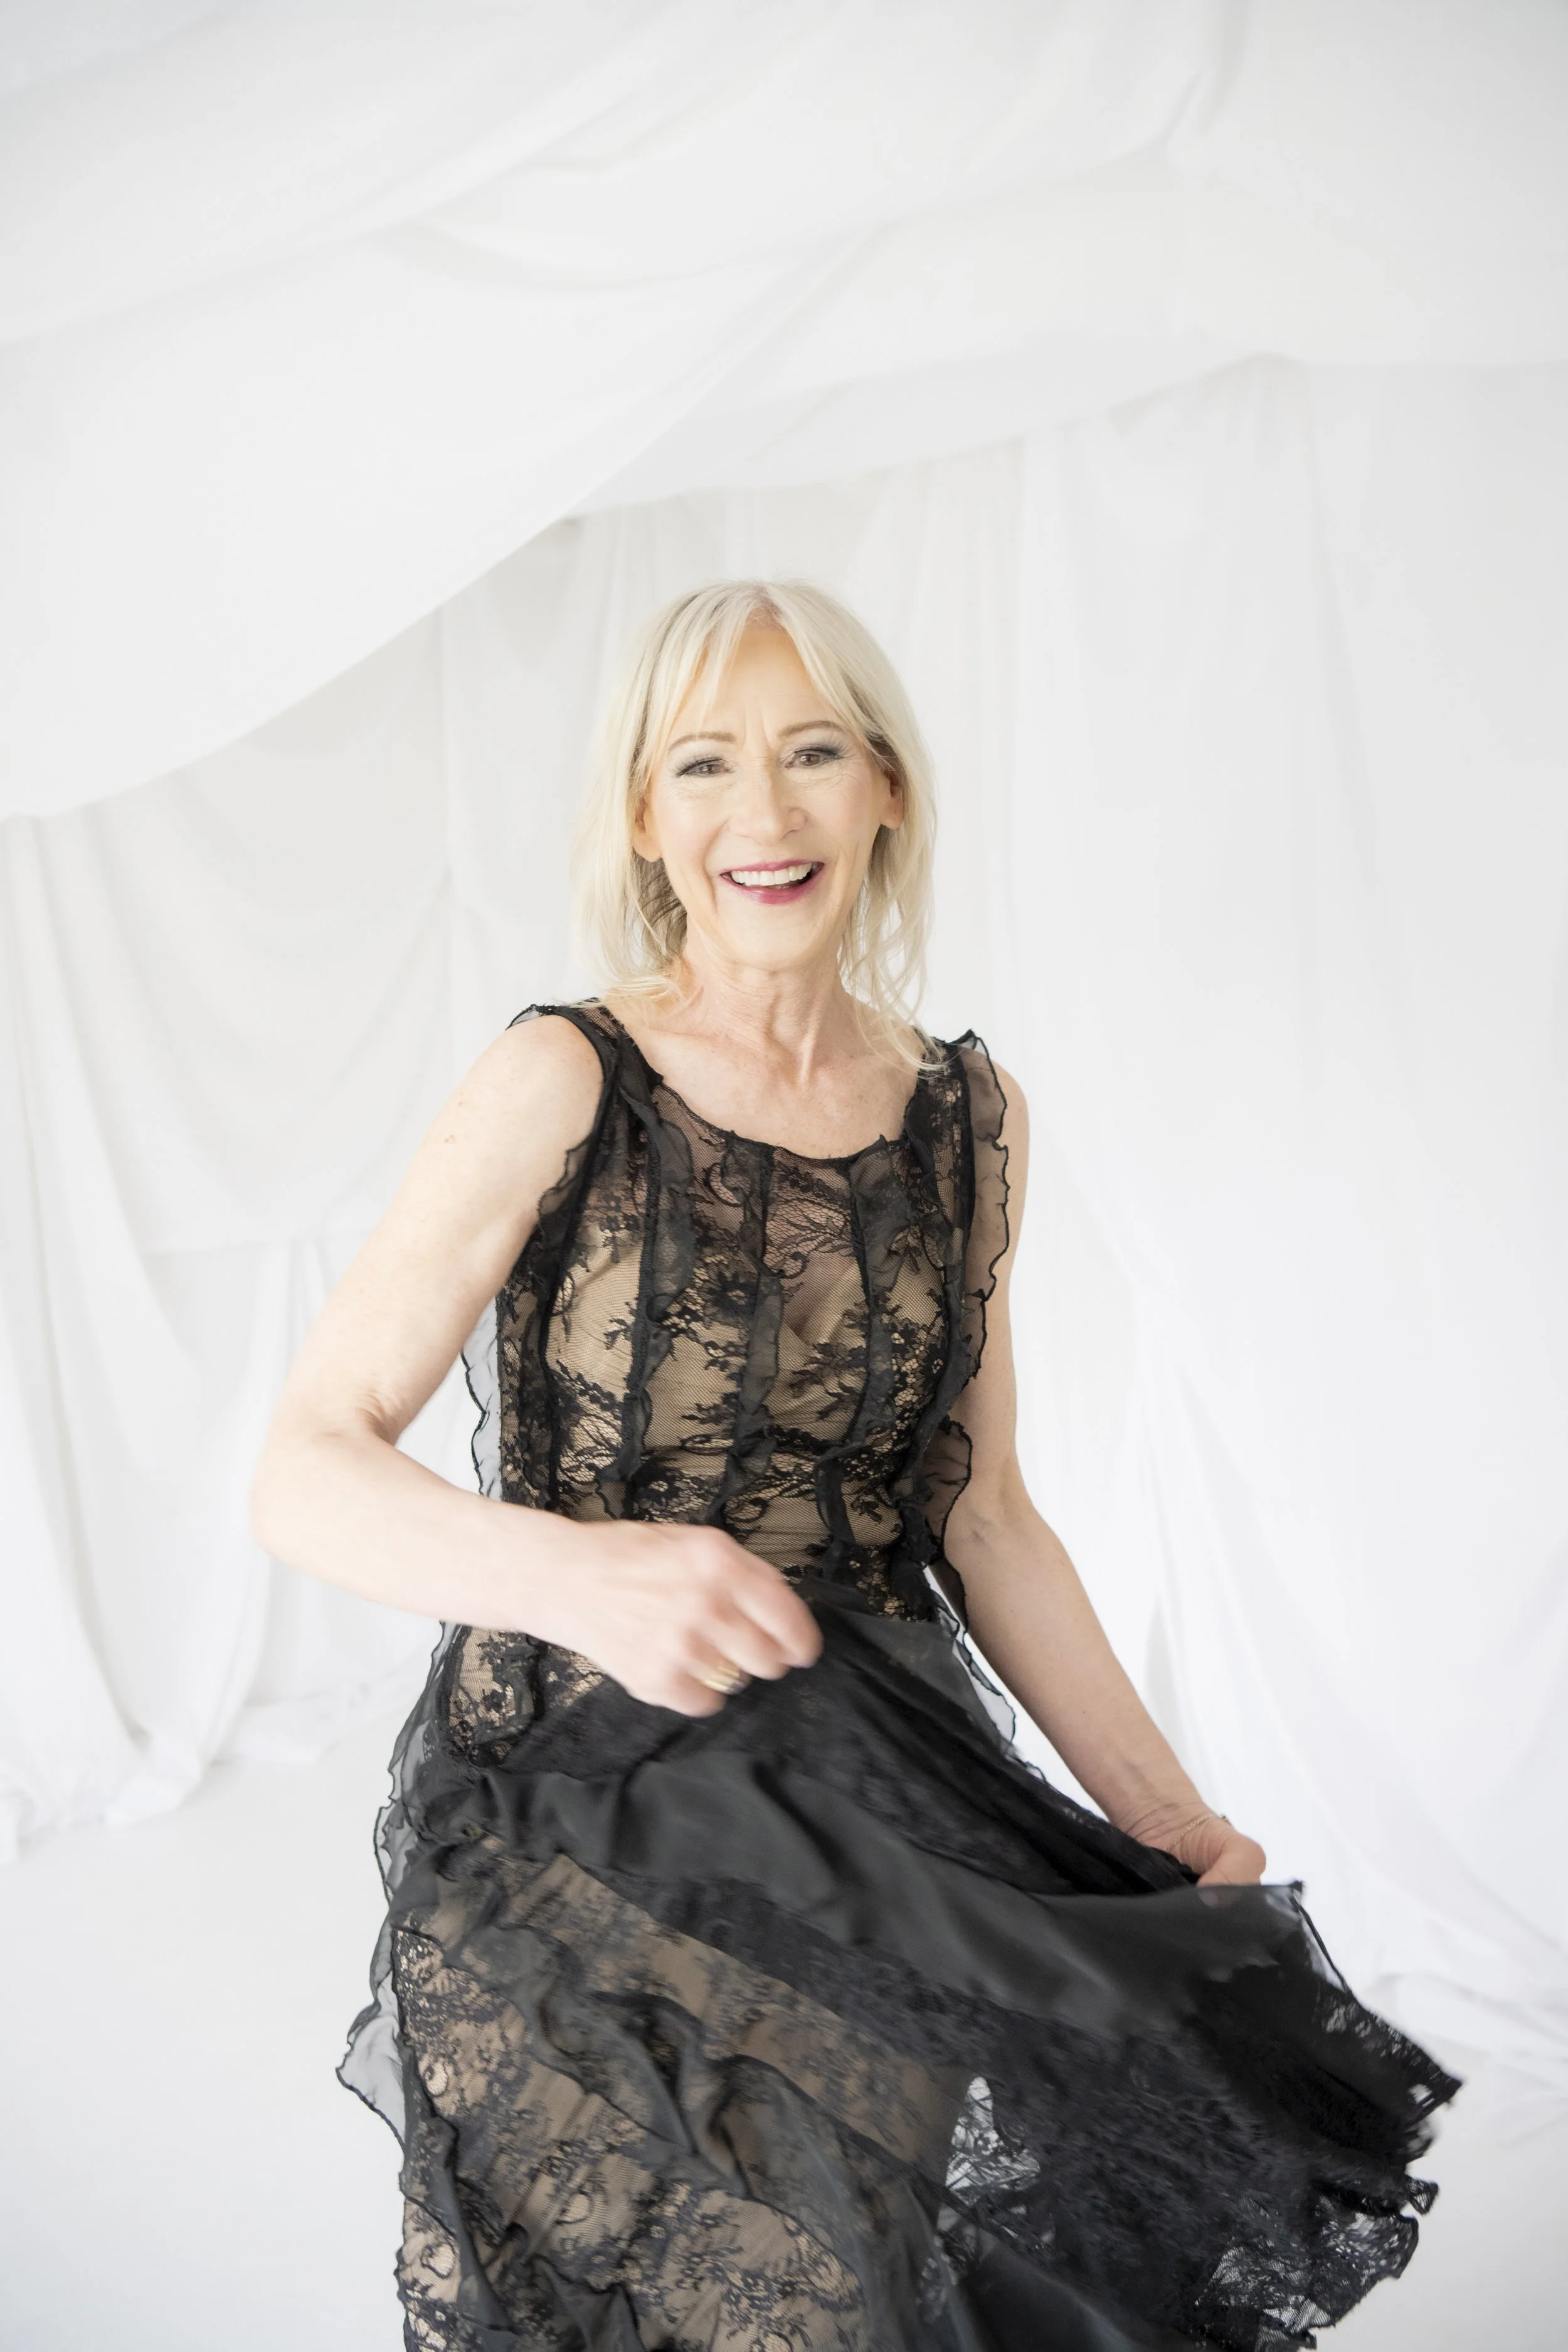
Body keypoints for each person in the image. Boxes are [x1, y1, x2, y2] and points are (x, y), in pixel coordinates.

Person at [253, 581, 1455, 2352]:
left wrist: (1161, 1809)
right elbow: (302, 1467)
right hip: (579, 1785)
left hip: (869, 1757)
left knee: (1051, 2166)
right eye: (707, 765)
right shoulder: (560, 1077)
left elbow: (981, 1510)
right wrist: (581, 1571)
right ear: (648, 820)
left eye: (812, 752)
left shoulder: (968, 1118)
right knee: (755, 2281)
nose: (766, 813)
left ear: (884, 787)